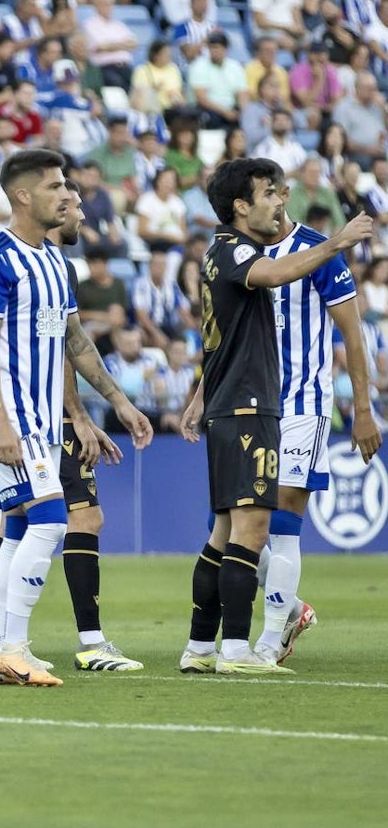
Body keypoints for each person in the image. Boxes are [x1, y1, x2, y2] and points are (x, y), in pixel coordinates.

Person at [176, 158, 373, 675]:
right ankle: (274, 616)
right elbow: (222, 331)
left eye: (282, 189)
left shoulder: (310, 249)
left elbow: (352, 334)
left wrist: (363, 410)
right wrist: (200, 392)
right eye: (271, 191)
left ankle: (267, 639)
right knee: (237, 525)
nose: (281, 197)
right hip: (246, 400)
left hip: (302, 402)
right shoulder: (248, 253)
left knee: (277, 521)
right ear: (246, 204)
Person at [0, 149, 153, 687]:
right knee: (51, 520)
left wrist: (116, 400)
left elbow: (73, 340)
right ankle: (14, 649)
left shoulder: (55, 261)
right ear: (23, 196)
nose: (66, 195)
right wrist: (1, 423)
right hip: (13, 418)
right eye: (54, 186)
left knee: (23, 524)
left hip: (46, 420)